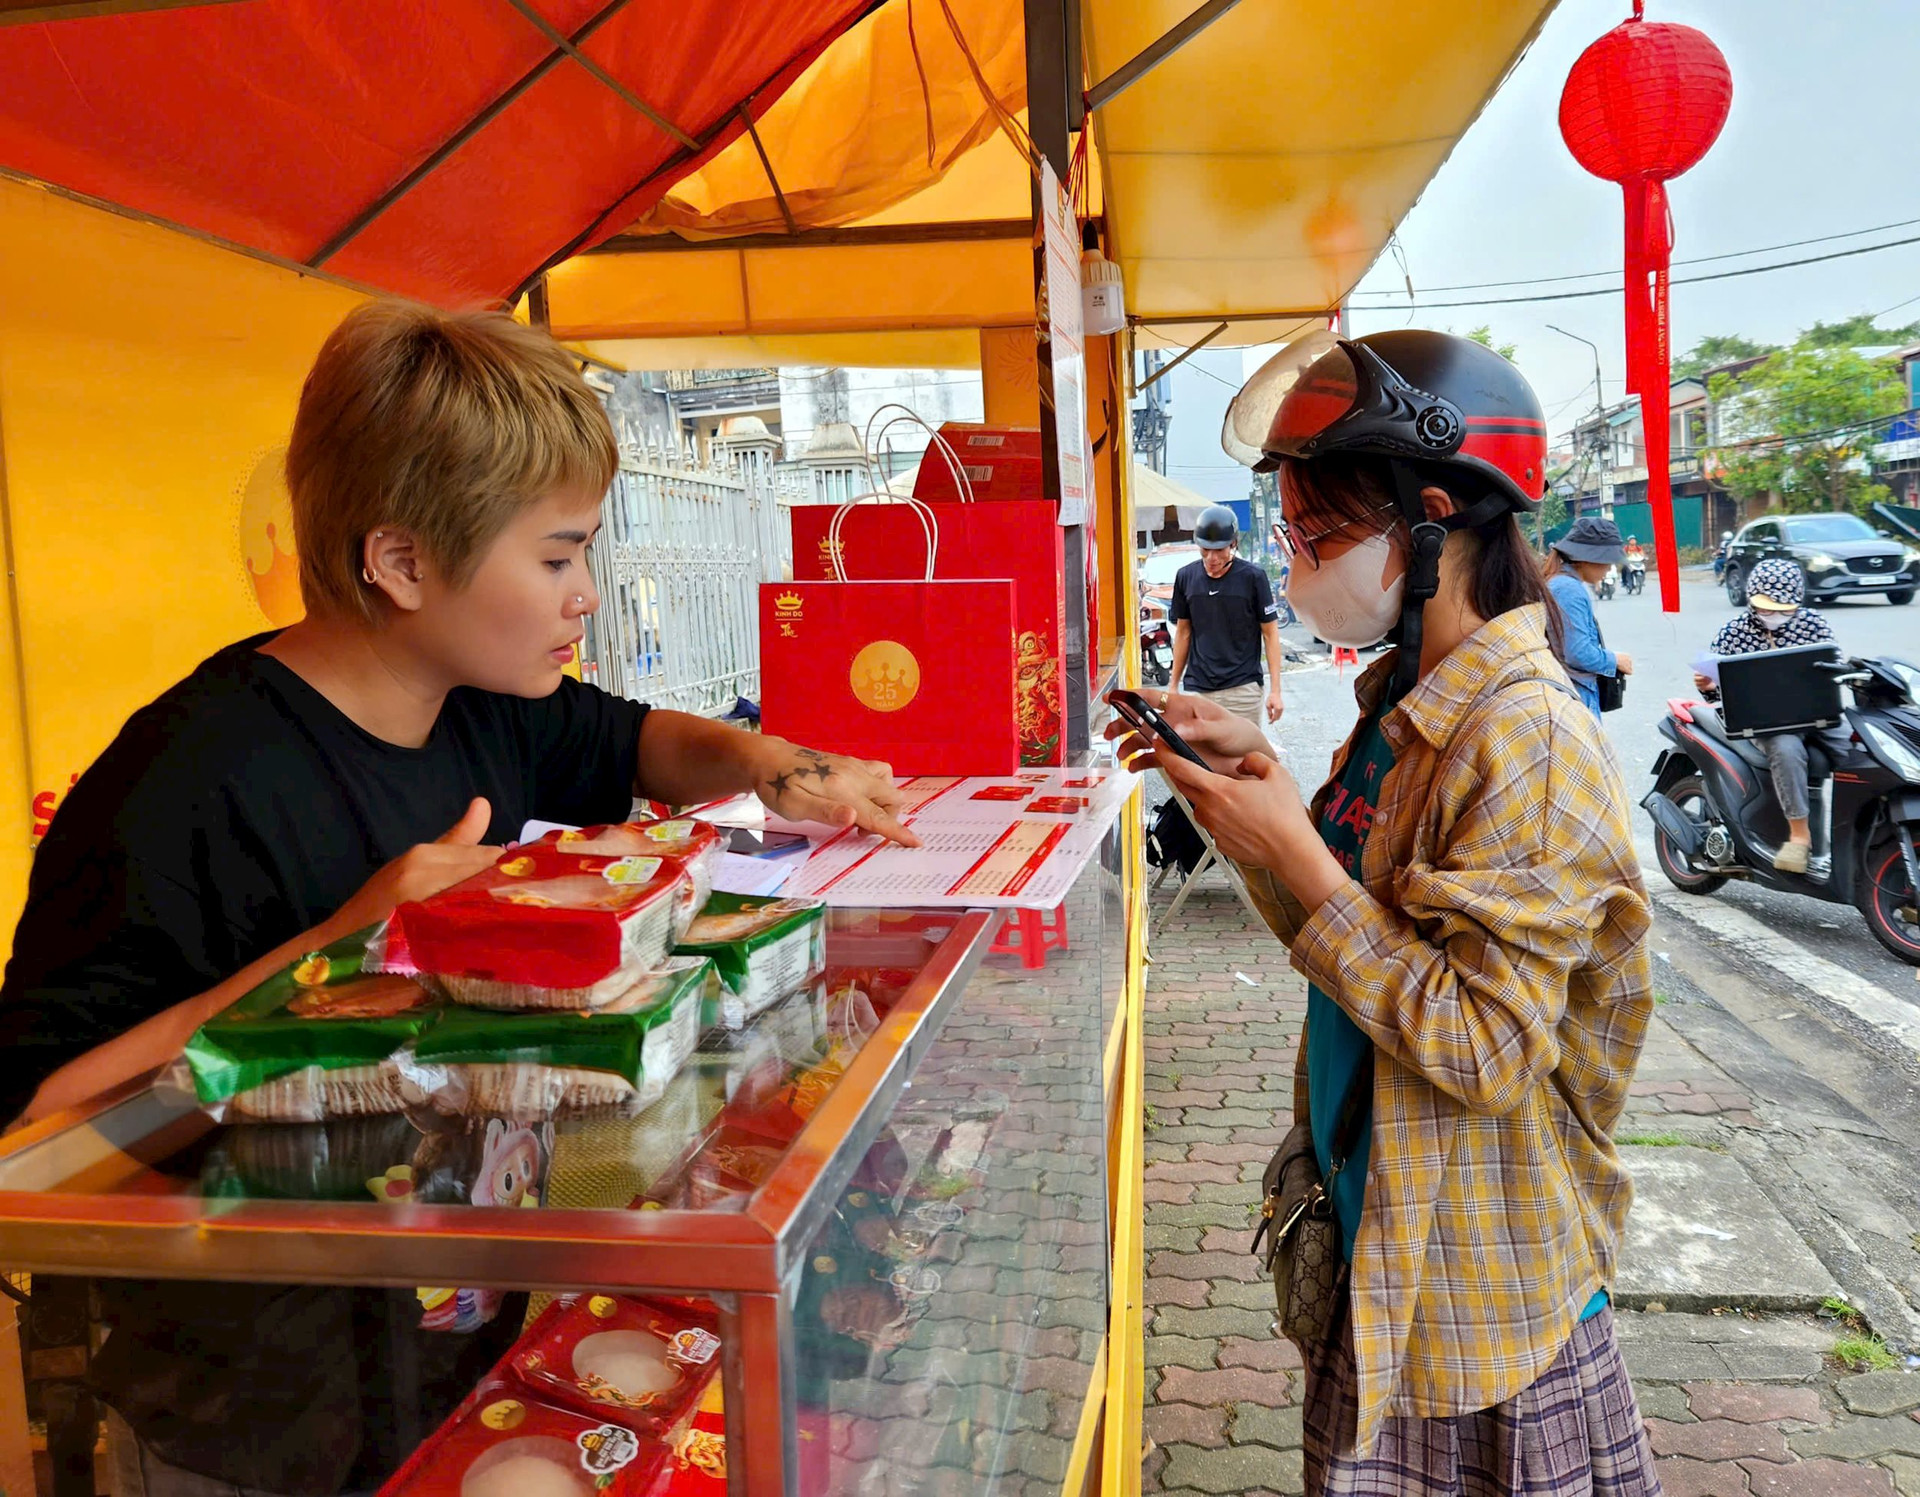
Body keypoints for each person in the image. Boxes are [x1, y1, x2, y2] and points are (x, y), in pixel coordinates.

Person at [0, 302, 916, 1495]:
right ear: (402, 562)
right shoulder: (192, 783)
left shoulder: (484, 701)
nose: (587, 592)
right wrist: (334, 947)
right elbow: (31, 1127)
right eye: (555, 557)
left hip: (443, 1332)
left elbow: (646, 743)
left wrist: (776, 765)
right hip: (250, 1395)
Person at [1120, 330, 1656, 1495]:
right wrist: (1248, 798)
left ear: (1431, 518)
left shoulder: (1526, 738)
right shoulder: (1402, 705)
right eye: (1293, 536)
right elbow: (1345, 943)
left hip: (1475, 1284)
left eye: (1320, 534)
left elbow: (1485, 1046)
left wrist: (1301, 863)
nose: (1300, 563)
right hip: (1382, 1234)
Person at [1692, 556, 1846, 874]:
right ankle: (1799, 837)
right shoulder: (1734, 633)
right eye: (1765, 607)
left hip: (1817, 715)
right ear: (1751, 600)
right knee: (1786, 748)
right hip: (1769, 724)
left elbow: (1833, 669)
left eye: (1783, 609)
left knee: (1859, 748)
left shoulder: (1813, 623)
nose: (1773, 615)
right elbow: (1716, 689)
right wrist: (1707, 685)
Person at [1167, 503, 1285, 729]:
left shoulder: (1253, 578)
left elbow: (1270, 634)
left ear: (1233, 544)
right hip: (1199, 690)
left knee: (1243, 760)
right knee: (1202, 761)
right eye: (1205, 549)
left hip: (1243, 690)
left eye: (1219, 550)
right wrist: (1173, 686)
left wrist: (1276, 691)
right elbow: (1183, 632)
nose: (1212, 557)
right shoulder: (1185, 577)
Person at [1543, 516, 1635, 718]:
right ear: (1587, 558)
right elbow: (1578, 652)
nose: (1609, 569)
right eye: (1607, 561)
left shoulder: (1561, 583)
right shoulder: (1569, 589)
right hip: (1576, 697)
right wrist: (1614, 660)